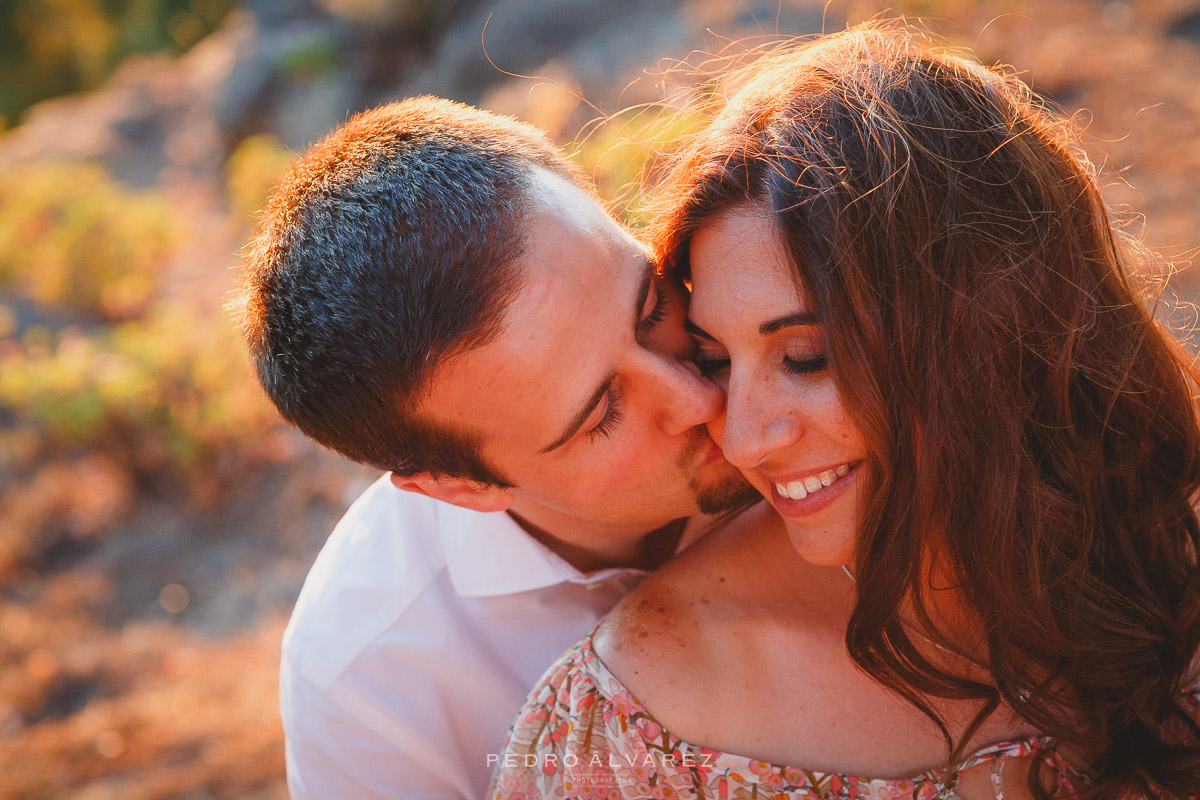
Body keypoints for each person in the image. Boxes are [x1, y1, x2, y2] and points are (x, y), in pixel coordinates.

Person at [490, 22, 1200, 800]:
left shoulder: (1164, 531)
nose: (745, 436)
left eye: (805, 358)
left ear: (990, 328)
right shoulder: (634, 730)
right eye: (717, 360)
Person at [238, 97, 755, 799]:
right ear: (461, 486)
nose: (700, 400)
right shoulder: (366, 691)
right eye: (602, 415)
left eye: (652, 309)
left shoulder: (806, 348)